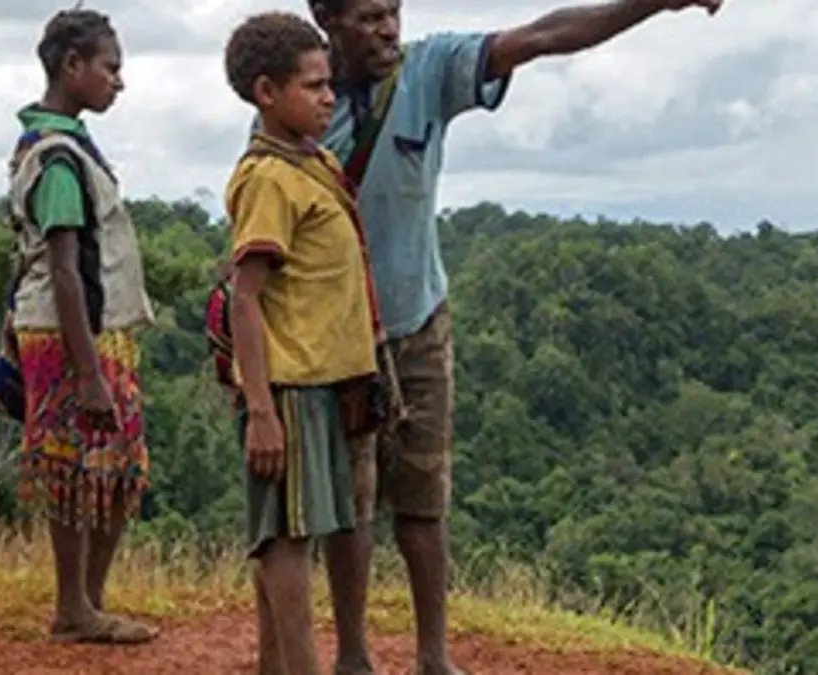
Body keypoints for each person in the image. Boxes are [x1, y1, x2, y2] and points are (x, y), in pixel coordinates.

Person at [289, 0, 725, 673]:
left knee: (424, 501)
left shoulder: (428, 69)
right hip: (337, 337)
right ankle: (353, 657)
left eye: (394, 11)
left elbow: (546, 35)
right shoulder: (299, 95)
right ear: (327, 17)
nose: (387, 28)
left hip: (420, 321)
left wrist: (653, 3)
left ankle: (435, 658)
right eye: (369, 15)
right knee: (352, 503)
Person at [221, 11, 388, 674]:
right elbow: (246, 294)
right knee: (285, 536)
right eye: (314, 86)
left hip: (319, 381)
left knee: (299, 527)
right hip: (286, 387)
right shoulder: (268, 179)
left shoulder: (311, 162)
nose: (328, 97)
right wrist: (260, 408)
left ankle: (276, 665)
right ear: (268, 92)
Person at [6, 7, 156, 644]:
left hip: (86, 334)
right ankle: (76, 606)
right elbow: (66, 271)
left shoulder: (61, 147)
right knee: (75, 468)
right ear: (73, 67)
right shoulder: (61, 158)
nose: (118, 82)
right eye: (109, 67)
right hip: (75, 338)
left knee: (114, 469)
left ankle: (88, 602)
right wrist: (89, 374)